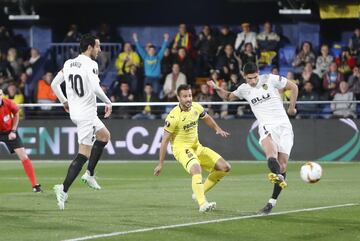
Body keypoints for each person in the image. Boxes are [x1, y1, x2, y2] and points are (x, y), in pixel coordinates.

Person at [208, 62, 298, 215]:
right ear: (245, 77)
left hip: (284, 127)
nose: (253, 81)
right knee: (271, 156)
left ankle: (271, 202)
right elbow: (228, 96)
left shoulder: (270, 79)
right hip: (266, 127)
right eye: (249, 78)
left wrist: (291, 107)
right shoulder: (244, 89)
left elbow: (293, 87)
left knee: (282, 166)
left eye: (255, 77)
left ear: (258, 73)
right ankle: (278, 176)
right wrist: (217, 88)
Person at [51, 34, 112, 210]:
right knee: (83, 154)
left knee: (104, 136)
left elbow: (55, 84)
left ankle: (90, 174)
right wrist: (108, 102)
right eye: (98, 46)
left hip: (79, 112)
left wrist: (64, 101)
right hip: (86, 114)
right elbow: (95, 88)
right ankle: (62, 189)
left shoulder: (68, 63)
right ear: (90, 47)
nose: (99, 50)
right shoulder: (91, 64)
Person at [154, 84, 231, 213]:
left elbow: (207, 118)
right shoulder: (173, 117)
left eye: (189, 95)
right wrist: (160, 163)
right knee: (196, 168)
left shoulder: (196, 107)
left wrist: (217, 129)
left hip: (197, 147)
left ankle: (198, 193)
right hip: (181, 149)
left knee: (225, 167)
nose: (188, 99)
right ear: (178, 98)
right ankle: (202, 204)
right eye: (185, 96)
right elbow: (165, 141)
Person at [0, 89, 42, 192]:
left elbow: (16, 114)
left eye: (0, 94)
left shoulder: (8, 103)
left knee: (24, 156)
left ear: (2, 95)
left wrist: (13, 131)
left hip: (9, 131)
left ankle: (35, 185)